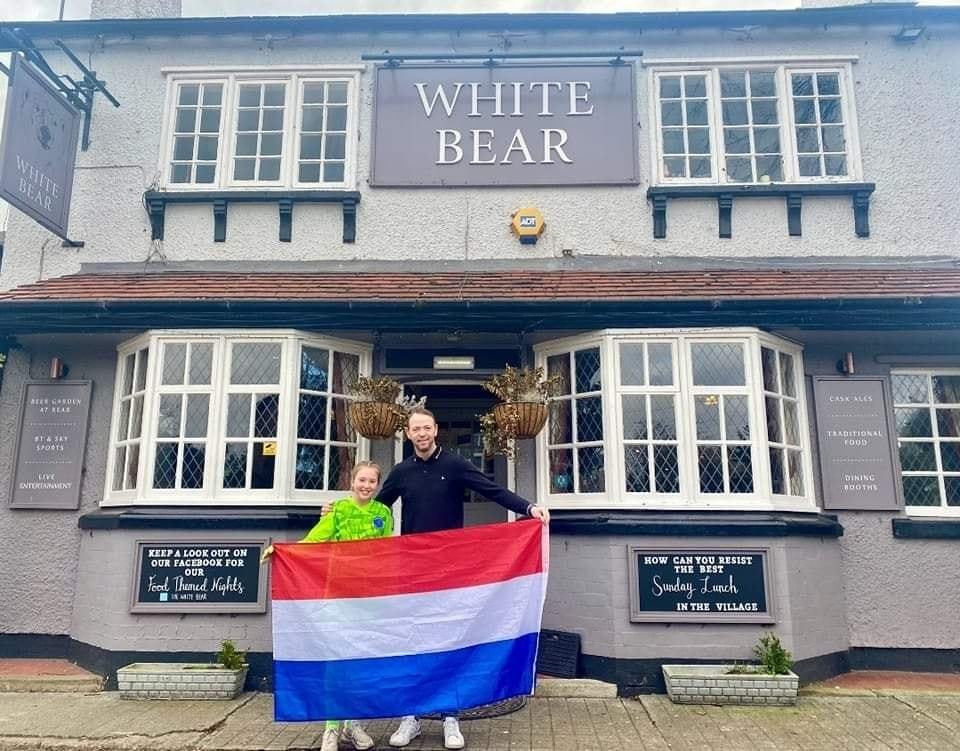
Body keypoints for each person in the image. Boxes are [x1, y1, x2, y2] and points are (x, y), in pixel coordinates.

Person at [324, 407, 549, 750]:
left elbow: (491, 490)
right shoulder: (401, 471)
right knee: (413, 637)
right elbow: (373, 508)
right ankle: (411, 716)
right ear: (409, 433)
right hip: (412, 569)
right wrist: (337, 510)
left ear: (435, 429)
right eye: (415, 429)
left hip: (450, 568)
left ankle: (450, 716)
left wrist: (528, 508)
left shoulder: (455, 464)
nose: (422, 433)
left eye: (426, 427)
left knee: (449, 636)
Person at [261, 460, 392, 751]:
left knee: (360, 661)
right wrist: (284, 552)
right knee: (336, 662)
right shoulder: (338, 510)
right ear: (352, 482)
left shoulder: (383, 513)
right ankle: (331, 728)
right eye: (362, 480)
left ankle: (353, 725)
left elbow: (386, 554)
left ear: (377, 484)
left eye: (372, 481)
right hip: (339, 597)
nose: (366, 486)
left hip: (368, 600)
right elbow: (316, 539)